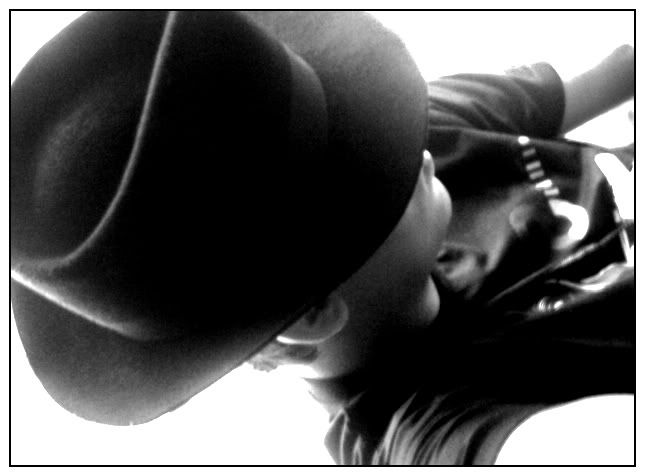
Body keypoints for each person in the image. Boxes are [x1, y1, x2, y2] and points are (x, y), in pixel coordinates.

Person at [10, 11, 634, 465]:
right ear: (312, 314)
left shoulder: (422, 128)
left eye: (359, 120)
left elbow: (618, 65)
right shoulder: (428, 427)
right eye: (369, 173)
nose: (410, 146)